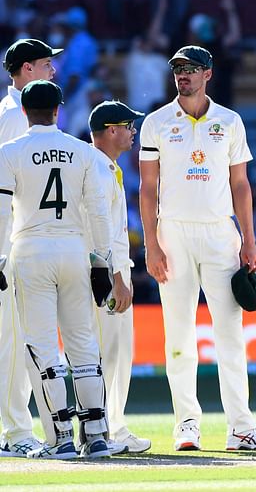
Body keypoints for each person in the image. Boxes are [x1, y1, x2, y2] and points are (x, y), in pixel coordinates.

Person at [139, 45, 256, 451]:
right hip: (174, 234)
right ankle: (186, 424)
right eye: (178, 70)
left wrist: (249, 242)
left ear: (208, 74)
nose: (183, 75)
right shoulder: (157, 122)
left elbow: (241, 185)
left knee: (230, 334)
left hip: (221, 233)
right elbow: (148, 189)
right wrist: (152, 244)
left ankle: (242, 427)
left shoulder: (230, 121)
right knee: (179, 334)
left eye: (191, 69)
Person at [0, 80, 113, 459]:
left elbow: (1, 213)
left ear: (26, 111)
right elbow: (98, 211)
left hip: (30, 251)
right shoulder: (82, 151)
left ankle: (60, 438)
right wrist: (102, 262)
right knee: (83, 345)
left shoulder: (10, 152)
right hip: (74, 248)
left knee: (43, 347)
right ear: (58, 110)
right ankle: (96, 436)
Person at [0, 38, 62, 458]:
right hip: (10, 246)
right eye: (44, 64)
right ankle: (15, 432)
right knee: (10, 341)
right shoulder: (12, 118)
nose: (51, 71)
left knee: (21, 340)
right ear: (25, 70)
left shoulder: (16, 114)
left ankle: (18, 428)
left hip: (22, 242)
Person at [86, 100, 152, 453]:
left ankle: (112, 424)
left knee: (118, 352)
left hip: (111, 269)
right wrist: (116, 277)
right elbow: (102, 230)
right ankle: (103, 429)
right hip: (106, 273)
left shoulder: (104, 166)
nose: (132, 132)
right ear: (111, 131)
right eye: (128, 126)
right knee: (108, 352)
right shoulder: (96, 169)